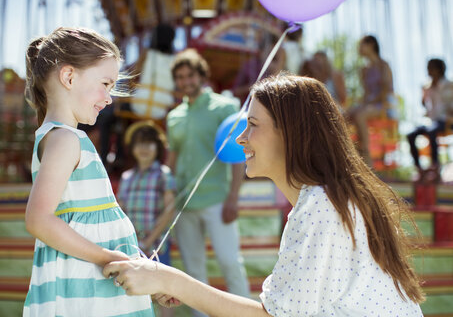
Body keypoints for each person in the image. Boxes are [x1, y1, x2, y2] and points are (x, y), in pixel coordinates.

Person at [104, 74, 425, 317]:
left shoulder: (322, 206)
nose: (241, 138)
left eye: (252, 125)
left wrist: (169, 281)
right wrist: (170, 282)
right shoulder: (326, 200)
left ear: (291, 133)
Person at [23, 27, 154, 316]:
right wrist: (108, 258)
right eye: (106, 83)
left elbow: (103, 224)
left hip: (95, 288)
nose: (109, 98)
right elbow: (38, 220)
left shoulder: (67, 138)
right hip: (86, 293)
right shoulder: (64, 139)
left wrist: (144, 273)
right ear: (69, 77)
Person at [165, 48, 250, 316]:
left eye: (190, 75)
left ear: (201, 75)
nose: (185, 81)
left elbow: (238, 157)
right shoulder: (173, 116)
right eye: (179, 77)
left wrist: (233, 198)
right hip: (184, 204)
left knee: (229, 263)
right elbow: (171, 160)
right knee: (193, 271)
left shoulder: (224, 107)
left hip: (217, 200)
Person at [117, 120, 176, 317]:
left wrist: (149, 241)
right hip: (132, 248)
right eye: (139, 143)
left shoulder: (163, 174)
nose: (144, 148)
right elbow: (120, 211)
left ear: (157, 148)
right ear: (132, 148)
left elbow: (169, 210)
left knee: (163, 294)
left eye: (149, 143)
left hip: (157, 246)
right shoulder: (127, 177)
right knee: (134, 293)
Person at [346, 35, 396, 165]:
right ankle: (349, 152)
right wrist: (361, 104)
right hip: (369, 105)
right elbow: (366, 93)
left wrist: (367, 103)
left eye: (362, 45)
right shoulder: (364, 70)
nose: (359, 48)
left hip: (384, 105)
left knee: (360, 115)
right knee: (344, 115)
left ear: (371, 45)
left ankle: (366, 154)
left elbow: (385, 91)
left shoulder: (383, 65)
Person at [407, 58, 453, 182]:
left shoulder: (449, 85)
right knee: (411, 134)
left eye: (430, 68)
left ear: (438, 70)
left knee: (432, 130)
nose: (428, 71)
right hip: (431, 121)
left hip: (446, 121)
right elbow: (424, 105)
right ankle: (419, 168)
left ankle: (435, 165)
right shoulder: (427, 87)